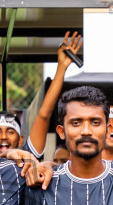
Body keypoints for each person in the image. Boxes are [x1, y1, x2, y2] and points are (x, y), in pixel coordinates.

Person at [28, 32, 83, 161]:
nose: (3, 137)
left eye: (10, 131)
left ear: (19, 138)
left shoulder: (26, 157)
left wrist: (61, 67)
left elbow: (44, 115)